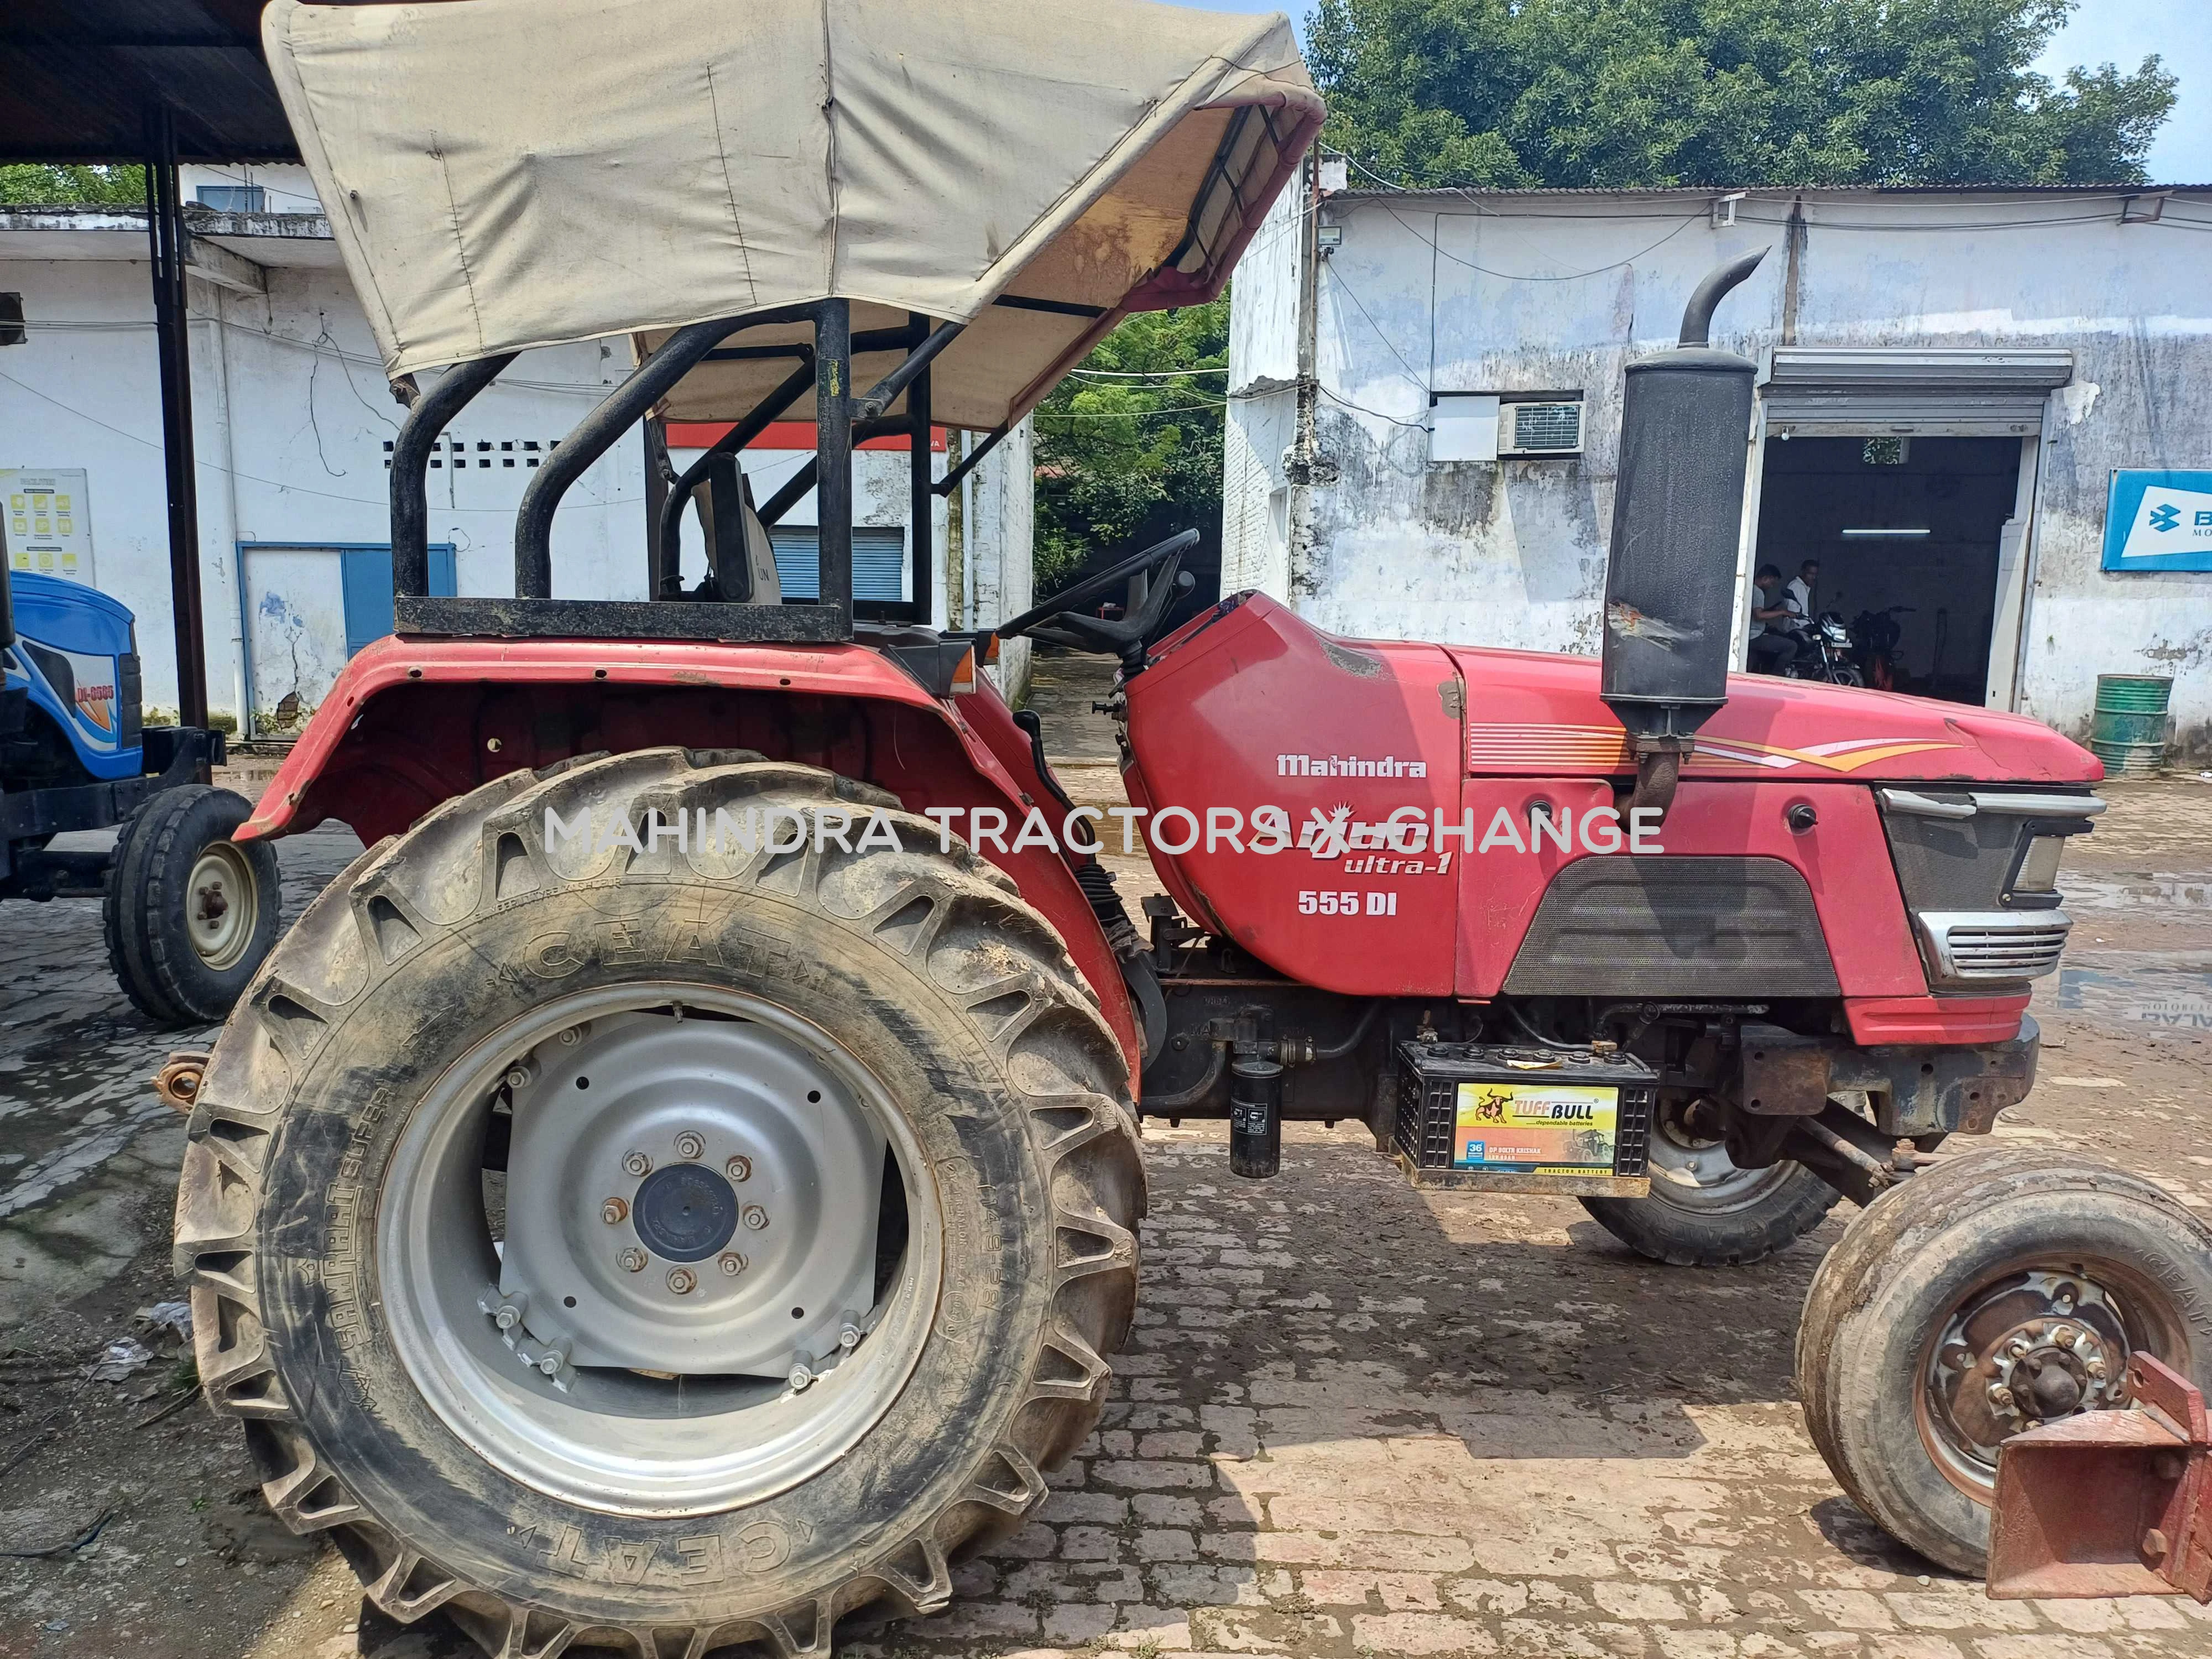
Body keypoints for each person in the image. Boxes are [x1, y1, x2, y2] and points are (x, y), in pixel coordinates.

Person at [1747, 564, 1801, 674]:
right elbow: (1759, 616)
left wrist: (1771, 611)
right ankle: (1776, 677)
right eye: (1772, 583)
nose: (1771, 587)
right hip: (1755, 636)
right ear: (1765, 578)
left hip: (1752, 635)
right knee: (1791, 646)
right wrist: (1783, 612)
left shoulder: (1750, 588)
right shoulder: (1758, 592)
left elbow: (1755, 613)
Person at [1787, 559, 1818, 624]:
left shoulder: (1804, 587)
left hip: (1803, 629)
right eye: (1810, 574)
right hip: (1794, 630)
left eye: (1815, 574)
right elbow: (1793, 614)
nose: (1814, 577)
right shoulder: (1796, 587)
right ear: (1802, 572)